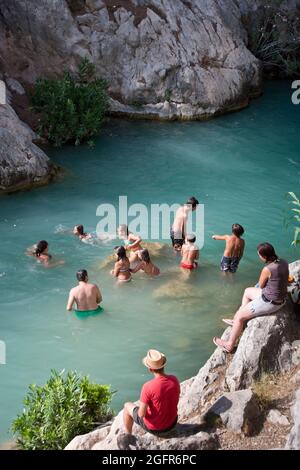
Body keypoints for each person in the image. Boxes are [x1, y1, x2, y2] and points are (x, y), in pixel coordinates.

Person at [213, 243, 289, 353]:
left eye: (259, 255)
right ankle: (237, 321)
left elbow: (261, 285)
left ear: (264, 256)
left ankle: (229, 344)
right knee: (247, 291)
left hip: (269, 302)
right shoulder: (283, 262)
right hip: (280, 299)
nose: (259, 257)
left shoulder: (267, 269)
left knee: (239, 316)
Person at [120, 349, 180, 442]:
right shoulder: (174, 379)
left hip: (156, 429)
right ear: (163, 365)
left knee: (127, 406)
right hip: (172, 423)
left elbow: (141, 414)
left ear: (150, 369)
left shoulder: (148, 387)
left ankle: (128, 436)